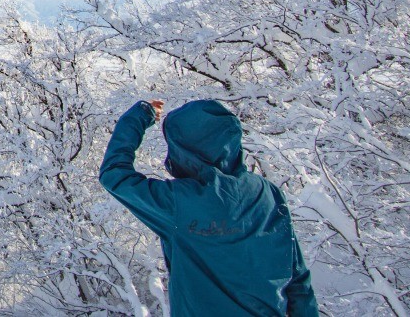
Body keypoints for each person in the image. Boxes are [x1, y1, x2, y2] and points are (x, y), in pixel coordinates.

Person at [99, 99, 318, 317]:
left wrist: (139, 116)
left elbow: (114, 174)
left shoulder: (179, 202)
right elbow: (298, 281)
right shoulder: (269, 194)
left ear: (184, 150)